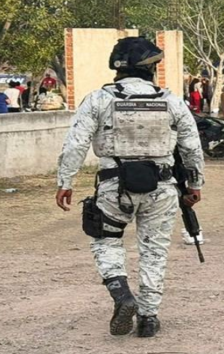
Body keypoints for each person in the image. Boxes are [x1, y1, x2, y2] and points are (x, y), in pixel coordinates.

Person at [54, 37, 205, 338]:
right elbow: (191, 147)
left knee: (106, 241)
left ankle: (122, 294)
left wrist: (65, 181)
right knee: (154, 251)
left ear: (117, 67)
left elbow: (75, 144)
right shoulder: (172, 101)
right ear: (151, 68)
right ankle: (148, 318)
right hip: (162, 187)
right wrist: (195, 184)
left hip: (114, 186)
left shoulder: (99, 99)